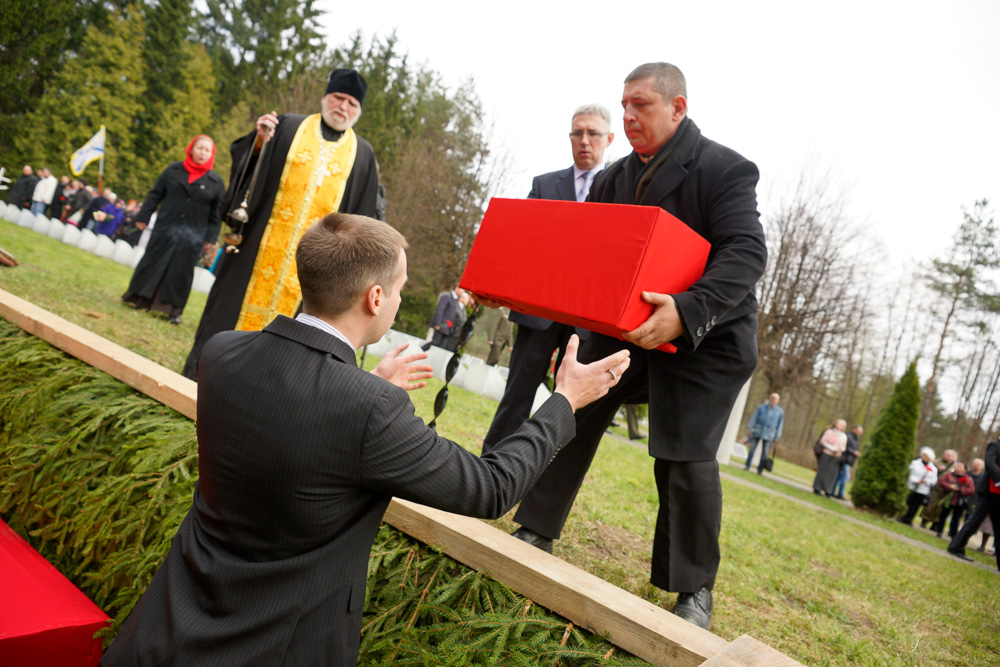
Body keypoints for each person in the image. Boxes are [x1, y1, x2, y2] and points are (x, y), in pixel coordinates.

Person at [100, 213, 631, 666]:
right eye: (399, 289)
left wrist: (365, 388)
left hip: (166, 629)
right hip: (276, 647)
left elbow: (291, 423)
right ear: (375, 298)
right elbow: (490, 487)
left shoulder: (223, 353)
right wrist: (565, 401)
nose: (400, 299)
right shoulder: (369, 410)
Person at [483, 63, 766, 631]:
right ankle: (537, 526)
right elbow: (589, 253)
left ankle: (693, 589)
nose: (629, 116)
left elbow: (746, 254)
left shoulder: (726, 169)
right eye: (625, 106)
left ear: (678, 108)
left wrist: (684, 313)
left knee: (684, 453)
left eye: (641, 105)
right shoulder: (614, 179)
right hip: (625, 332)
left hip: (706, 340)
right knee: (575, 405)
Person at [181, 68, 380, 379]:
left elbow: (363, 220)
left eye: (352, 103)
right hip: (256, 251)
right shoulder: (288, 126)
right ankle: (206, 378)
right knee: (228, 314)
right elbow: (249, 171)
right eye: (338, 98)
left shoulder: (363, 156)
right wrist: (259, 141)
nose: (343, 107)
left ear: (359, 111)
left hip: (314, 274)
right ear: (325, 97)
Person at [481, 104, 615, 453]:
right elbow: (523, 242)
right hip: (538, 314)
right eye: (577, 133)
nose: (584, 141)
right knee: (517, 395)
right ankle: (492, 462)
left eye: (593, 133)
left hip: (587, 318)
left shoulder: (621, 190)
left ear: (609, 139)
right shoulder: (544, 184)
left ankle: (541, 473)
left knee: (568, 404)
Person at [122, 135, 225, 325]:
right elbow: (155, 194)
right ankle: (139, 298)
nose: (203, 153)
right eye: (200, 148)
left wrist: (211, 238)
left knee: (182, 271)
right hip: (165, 227)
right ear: (191, 149)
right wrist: (143, 216)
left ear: (212, 154)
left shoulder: (216, 182)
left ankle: (173, 310)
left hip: (193, 236)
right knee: (153, 261)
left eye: (207, 150)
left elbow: (216, 215)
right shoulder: (173, 170)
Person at [948, 440, 1000, 567]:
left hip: (998, 493)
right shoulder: (995, 446)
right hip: (989, 491)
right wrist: (998, 481)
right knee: (975, 520)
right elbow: (989, 463)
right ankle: (956, 546)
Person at [931, 461, 975, 539]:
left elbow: (971, 490)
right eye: (957, 466)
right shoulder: (949, 474)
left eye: (960, 466)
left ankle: (952, 533)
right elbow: (942, 482)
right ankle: (939, 530)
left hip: (959, 501)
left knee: (956, 518)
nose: (958, 467)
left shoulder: (968, 478)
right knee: (943, 515)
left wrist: (960, 490)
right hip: (948, 499)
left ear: (965, 469)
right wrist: (950, 486)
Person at [744, 393, 784, 474]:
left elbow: (780, 425)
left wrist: (777, 436)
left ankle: (760, 470)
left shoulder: (780, 412)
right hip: (758, 430)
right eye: (771, 397)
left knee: (765, 453)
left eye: (774, 398)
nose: (772, 399)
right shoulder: (761, 407)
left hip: (770, 434)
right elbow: (754, 418)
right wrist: (750, 428)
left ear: (778, 401)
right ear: (769, 398)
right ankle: (747, 466)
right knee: (752, 449)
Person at [897, 447, 939, 525]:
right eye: (923, 455)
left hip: (922, 490)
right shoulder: (915, 463)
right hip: (912, 487)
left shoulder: (933, 469)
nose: (924, 457)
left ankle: (909, 519)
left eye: (926, 456)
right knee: (907, 503)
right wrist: (915, 481)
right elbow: (909, 473)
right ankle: (901, 516)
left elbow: (934, 481)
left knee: (915, 506)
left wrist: (925, 481)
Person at [920, 449, 957, 528]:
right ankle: (924, 520)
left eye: (948, 455)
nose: (945, 456)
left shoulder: (955, 466)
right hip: (935, 488)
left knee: (939, 508)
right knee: (930, 504)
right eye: (945, 454)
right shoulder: (937, 462)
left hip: (945, 491)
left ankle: (935, 524)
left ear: (953, 457)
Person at [422, 286, 466, 351]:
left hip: (448, 329)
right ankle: (419, 350)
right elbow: (439, 310)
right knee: (434, 343)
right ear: (456, 288)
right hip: (441, 326)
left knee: (440, 347)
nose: (463, 292)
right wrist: (437, 324)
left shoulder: (456, 301)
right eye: (462, 290)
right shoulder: (446, 296)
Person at [812, 420, 847, 496]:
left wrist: (839, 450)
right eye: (838, 423)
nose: (839, 425)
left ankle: (828, 490)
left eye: (841, 424)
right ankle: (817, 488)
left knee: (831, 474)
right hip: (826, 454)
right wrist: (832, 448)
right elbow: (822, 441)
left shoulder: (844, 436)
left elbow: (843, 447)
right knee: (822, 472)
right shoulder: (829, 432)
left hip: (836, 456)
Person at [832, 424, 863, 499]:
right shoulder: (849, 436)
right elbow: (845, 447)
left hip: (849, 460)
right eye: (859, 431)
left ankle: (832, 491)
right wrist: (854, 452)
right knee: (846, 476)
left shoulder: (855, 439)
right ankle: (840, 493)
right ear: (854, 429)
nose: (860, 433)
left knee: (840, 476)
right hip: (845, 460)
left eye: (861, 432)